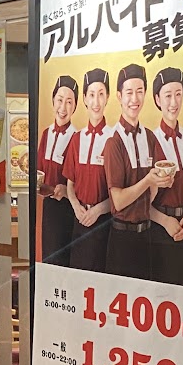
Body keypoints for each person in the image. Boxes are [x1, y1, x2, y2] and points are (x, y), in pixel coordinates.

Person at [102, 63, 168, 281]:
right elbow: (118, 201)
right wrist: (149, 180)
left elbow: (153, 190)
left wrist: (161, 180)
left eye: (140, 91)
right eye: (129, 92)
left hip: (148, 235)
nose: (134, 99)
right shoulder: (113, 142)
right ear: (119, 96)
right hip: (122, 238)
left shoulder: (149, 137)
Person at [148, 66, 183, 287]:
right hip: (157, 229)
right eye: (168, 95)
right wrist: (164, 221)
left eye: (178, 94)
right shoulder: (149, 140)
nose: (174, 102)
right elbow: (139, 198)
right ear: (157, 99)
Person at [65, 68, 114, 274]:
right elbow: (70, 184)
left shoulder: (114, 139)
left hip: (104, 222)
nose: (96, 101)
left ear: (108, 97)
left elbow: (120, 192)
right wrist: (76, 206)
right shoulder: (77, 138)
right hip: (79, 220)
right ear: (84, 98)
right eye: (91, 94)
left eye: (101, 94)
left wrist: (97, 210)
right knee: (78, 278)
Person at [37, 74, 79, 266]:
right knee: (48, 257)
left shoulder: (78, 137)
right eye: (60, 100)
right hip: (48, 206)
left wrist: (67, 191)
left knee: (63, 259)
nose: (63, 108)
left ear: (76, 106)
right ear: (53, 100)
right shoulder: (47, 133)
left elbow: (83, 181)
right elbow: (38, 169)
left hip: (68, 209)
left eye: (69, 102)